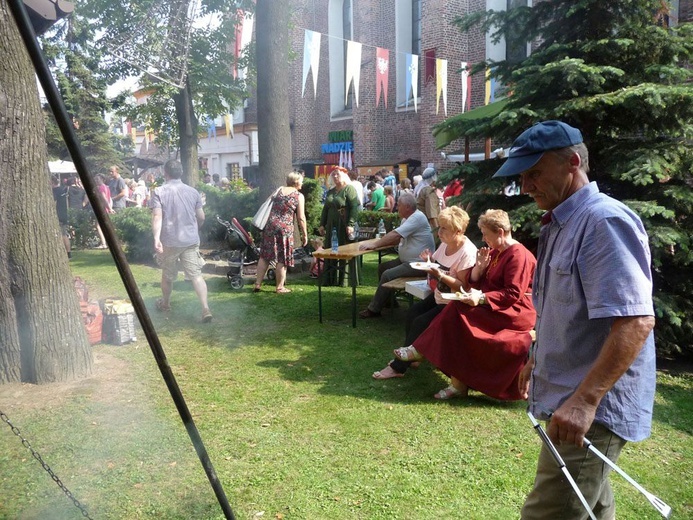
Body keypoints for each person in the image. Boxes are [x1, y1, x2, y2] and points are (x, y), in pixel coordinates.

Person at [487, 121, 657, 519]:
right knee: (594, 507)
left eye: (534, 173)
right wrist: (536, 354)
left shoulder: (602, 222)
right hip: (571, 399)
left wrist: (585, 401)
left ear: (573, 163)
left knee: (549, 512)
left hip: (589, 409)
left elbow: (635, 321)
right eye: (522, 175)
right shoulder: (563, 222)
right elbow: (566, 307)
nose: (526, 185)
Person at [394, 209, 536, 401]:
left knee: (457, 311)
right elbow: (476, 283)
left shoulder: (518, 255)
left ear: (501, 232)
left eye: (486, 234)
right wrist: (479, 269)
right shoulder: (495, 251)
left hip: (513, 312)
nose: (483, 239)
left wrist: (482, 298)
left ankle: (424, 353)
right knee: (456, 309)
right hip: (495, 306)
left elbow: (512, 294)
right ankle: (451, 379)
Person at [372, 206, 478, 379]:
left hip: (454, 302)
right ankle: (413, 357)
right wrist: (428, 261)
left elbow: (462, 287)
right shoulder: (445, 244)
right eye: (440, 227)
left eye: (444, 228)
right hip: (439, 296)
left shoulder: (467, 252)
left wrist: (439, 275)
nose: (439, 232)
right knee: (412, 313)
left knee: (420, 322)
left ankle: (398, 367)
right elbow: (436, 264)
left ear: (458, 231)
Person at [149, 160, 213, 322]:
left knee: (168, 275)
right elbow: (201, 217)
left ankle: (166, 303)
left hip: (170, 241)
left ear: (166, 173)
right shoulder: (193, 192)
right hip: (190, 240)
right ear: (181, 173)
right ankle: (205, 308)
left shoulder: (159, 191)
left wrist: (156, 238)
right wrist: (195, 229)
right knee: (196, 275)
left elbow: (157, 216)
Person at [358, 193, 435, 318]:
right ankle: (389, 301)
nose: (396, 208)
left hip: (418, 264)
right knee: (382, 267)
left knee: (387, 274)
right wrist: (379, 242)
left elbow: (395, 235)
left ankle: (374, 309)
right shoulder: (407, 218)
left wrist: (375, 245)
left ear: (408, 207)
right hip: (407, 261)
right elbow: (397, 237)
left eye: (399, 205)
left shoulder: (417, 218)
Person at [254, 171, 308, 293]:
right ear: (297, 182)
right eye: (301, 182)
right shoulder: (299, 196)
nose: (302, 184)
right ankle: (279, 287)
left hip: (270, 226)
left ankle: (257, 284)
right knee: (282, 258)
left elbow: (267, 204)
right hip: (285, 229)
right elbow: (301, 217)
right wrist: (304, 234)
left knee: (265, 256)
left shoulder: (278, 190)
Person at [318, 167, 360, 286]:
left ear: (344, 175)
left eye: (337, 174)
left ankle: (343, 279)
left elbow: (354, 208)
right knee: (331, 249)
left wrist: (351, 224)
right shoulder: (331, 191)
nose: (335, 176)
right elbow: (325, 209)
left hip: (343, 224)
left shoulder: (349, 189)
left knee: (343, 249)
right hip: (332, 226)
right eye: (333, 175)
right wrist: (322, 224)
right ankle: (331, 278)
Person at [51, 175, 71, 258]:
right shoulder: (62, 190)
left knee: (62, 234)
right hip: (63, 214)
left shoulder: (55, 191)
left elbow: (54, 203)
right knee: (63, 234)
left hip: (58, 215)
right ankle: (68, 252)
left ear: (51, 182)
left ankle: (68, 253)